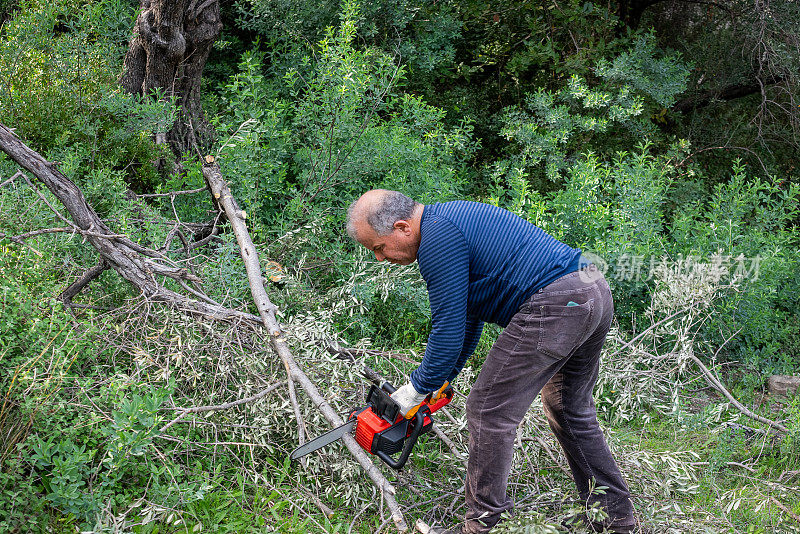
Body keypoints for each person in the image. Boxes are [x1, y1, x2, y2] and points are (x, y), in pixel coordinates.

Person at [346, 189, 637, 534]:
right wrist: (441, 380)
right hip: (591, 290)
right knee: (569, 407)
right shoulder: (449, 220)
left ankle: (483, 527)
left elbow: (447, 329)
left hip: (560, 302)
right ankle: (617, 521)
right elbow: (468, 319)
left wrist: (415, 390)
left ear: (401, 228)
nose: (380, 258)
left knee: (488, 411)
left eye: (378, 247)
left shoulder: (437, 239)